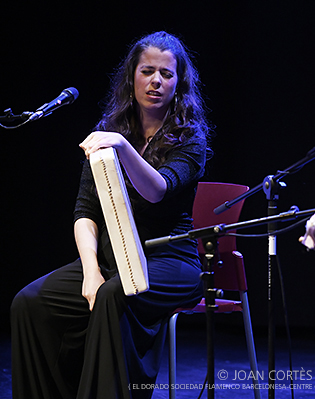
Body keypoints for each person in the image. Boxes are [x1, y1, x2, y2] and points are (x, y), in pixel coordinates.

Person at [11, 31, 211, 398]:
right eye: (147, 71)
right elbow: (85, 211)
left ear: (179, 82)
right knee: (30, 302)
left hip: (169, 257)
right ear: (131, 76)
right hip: (112, 255)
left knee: (114, 295)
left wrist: (120, 145)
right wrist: (90, 271)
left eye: (166, 74)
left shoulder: (190, 139)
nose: (155, 81)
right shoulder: (111, 131)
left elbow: (157, 190)